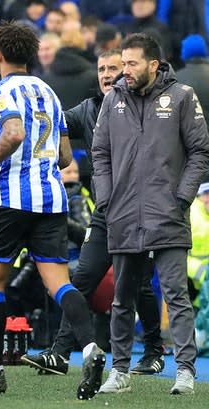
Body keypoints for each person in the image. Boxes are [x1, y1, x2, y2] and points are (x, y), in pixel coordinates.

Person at [0, 22, 106, 400]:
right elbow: (64, 156)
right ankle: (90, 348)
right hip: (51, 200)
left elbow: (13, 134)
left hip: (11, 201)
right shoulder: (49, 93)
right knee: (59, 283)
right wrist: (1, 144)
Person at [22, 48, 165, 377]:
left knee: (138, 284)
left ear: (127, 71)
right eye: (101, 68)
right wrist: (7, 135)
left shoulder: (141, 106)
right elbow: (50, 125)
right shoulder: (88, 110)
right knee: (82, 279)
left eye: (112, 68)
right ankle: (60, 353)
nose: (105, 74)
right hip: (104, 214)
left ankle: (155, 350)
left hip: (138, 212)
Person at [92, 33, 209, 395]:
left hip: (167, 212)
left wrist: (182, 197)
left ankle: (186, 371)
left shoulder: (182, 97)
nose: (123, 71)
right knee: (122, 297)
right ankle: (120, 370)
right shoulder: (113, 100)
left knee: (176, 295)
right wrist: (107, 198)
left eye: (131, 63)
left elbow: (201, 152)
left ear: (153, 65)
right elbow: (100, 153)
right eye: (122, 63)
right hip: (123, 213)